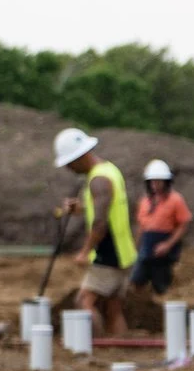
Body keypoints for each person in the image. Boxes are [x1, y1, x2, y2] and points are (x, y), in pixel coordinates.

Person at [53, 128, 134, 337]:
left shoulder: (98, 181)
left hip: (108, 251)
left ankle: (99, 348)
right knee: (113, 307)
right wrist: (80, 209)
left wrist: (84, 251)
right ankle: (118, 348)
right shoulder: (109, 171)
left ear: (80, 157)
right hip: (123, 252)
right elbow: (106, 208)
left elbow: (100, 223)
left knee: (84, 300)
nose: (69, 169)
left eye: (70, 163)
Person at [132, 159, 192, 295]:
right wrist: (136, 246)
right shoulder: (145, 201)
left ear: (166, 182)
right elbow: (142, 226)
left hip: (164, 245)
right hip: (147, 245)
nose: (155, 185)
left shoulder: (176, 200)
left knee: (161, 282)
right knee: (137, 279)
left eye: (158, 181)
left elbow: (184, 224)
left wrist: (168, 244)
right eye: (152, 182)